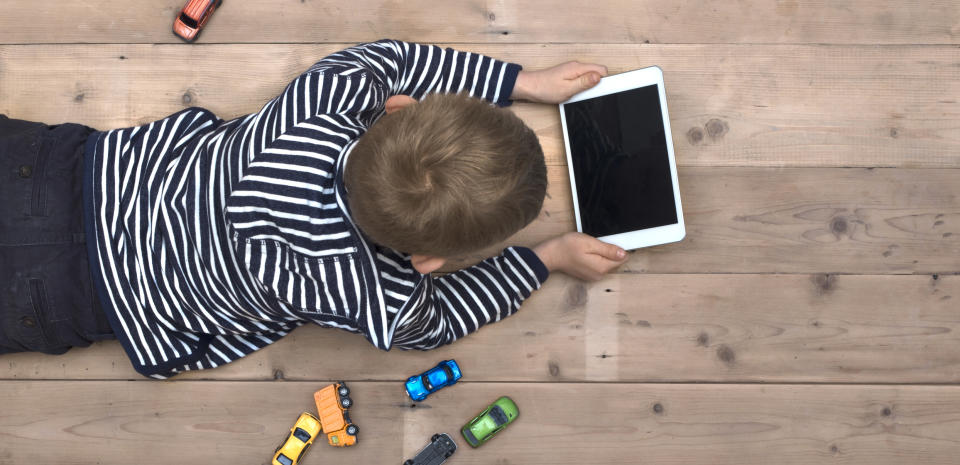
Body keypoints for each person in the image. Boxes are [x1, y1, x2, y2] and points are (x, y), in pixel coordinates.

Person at [0, 40, 628, 379]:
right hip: (79, 298)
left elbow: (395, 61)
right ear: (428, 257)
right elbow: (438, 321)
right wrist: (544, 259)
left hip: (65, 177)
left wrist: (521, 81)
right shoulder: (376, 291)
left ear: (399, 109)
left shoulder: (327, 96)